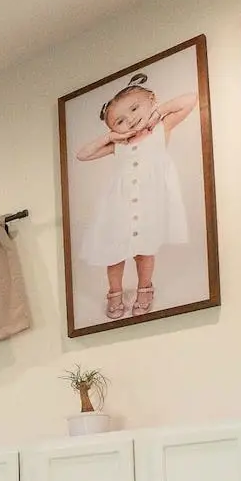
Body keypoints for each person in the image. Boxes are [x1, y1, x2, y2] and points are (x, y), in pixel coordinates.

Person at [75, 73, 198, 320]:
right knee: (114, 252)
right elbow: (82, 154)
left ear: (151, 100)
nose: (130, 120)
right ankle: (115, 291)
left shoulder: (161, 128)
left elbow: (191, 99)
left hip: (149, 204)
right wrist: (110, 137)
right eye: (119, 120)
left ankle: (145, 287)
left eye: (134, 108)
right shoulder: (118, 145)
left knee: (145, 250)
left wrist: (158, 112)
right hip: (118, 207)